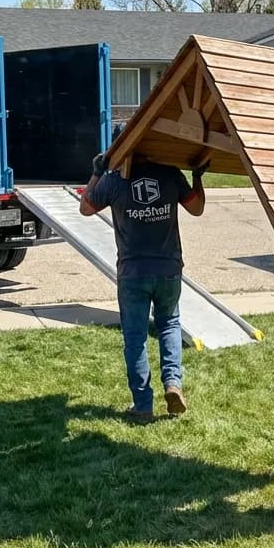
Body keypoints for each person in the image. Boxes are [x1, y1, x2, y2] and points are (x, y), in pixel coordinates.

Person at [80, 153, 208, 422]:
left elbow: (86, 208)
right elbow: (196, 208)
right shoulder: (170, 173)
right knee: (170, 325)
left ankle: (143, 405)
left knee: (135, 337)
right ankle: (173, 384)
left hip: (133, 273)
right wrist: (197, 176)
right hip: (169, 270)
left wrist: (97, 172)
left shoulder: (114, 181)